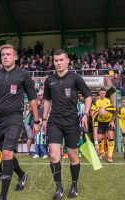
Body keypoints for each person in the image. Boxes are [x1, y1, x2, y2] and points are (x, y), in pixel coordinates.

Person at [0, 44, 40, 200]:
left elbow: (32, 99)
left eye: (8, 54)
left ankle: (3, 196)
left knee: (7, 152)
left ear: (15, 57)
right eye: (3, 54)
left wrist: (36, 121)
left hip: (15, 118)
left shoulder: (23, 75)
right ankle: (22, 175)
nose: (5, 57)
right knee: (4, 153)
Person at [42, 49, 92, 199]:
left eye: (61, 60)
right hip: (54, 122)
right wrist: (44, 119)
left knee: (73, 156)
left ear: (67, 60)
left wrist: (85, 114)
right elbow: (47, 101)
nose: (58, 63)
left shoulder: (75, 78)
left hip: (71, 122)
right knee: (53, 155)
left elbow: (88, 96)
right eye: (56, 61)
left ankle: (74, 185)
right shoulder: (49, 80)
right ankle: (59, 189)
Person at [91, 88, 116, 163]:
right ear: (99, 93)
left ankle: (110, 156)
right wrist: (95, 143)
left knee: (111, 135)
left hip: (108, 122)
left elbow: (115, 111)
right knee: (98, 138)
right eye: (101, 93)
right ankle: (101, 151)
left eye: (104, 93)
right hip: (100, 123)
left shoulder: (108, 102)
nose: (103, 94)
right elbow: (94, 130)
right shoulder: (96, 102)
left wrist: (112, 121)